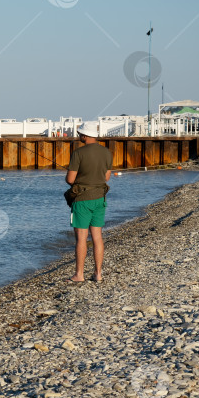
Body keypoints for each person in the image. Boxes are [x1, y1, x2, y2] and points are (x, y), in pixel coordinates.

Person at [66, 121, 112, 283]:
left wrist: (80, 179)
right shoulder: (106, 152)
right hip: (100, 198)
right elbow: (106, 177)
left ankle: (79, 275)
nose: (79, 136)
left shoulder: (78, 153)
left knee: (81, 238)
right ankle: (98, 273)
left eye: (80, 134)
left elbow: (70, 179)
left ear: (84, 135)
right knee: (97, 237)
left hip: (82, 200)